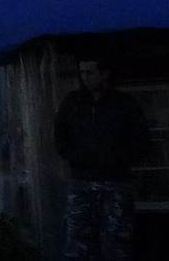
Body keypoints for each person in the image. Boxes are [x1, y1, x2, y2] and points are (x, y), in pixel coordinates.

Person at [54, 53, 150, 261]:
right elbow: (60, 137)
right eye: (82, 72)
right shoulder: (73, 103)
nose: (85, 78)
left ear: (104, 74)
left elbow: (141, 141)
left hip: (115, 180)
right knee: (75, 240)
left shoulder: (123, 104)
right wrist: (76, 157)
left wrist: (114, 159)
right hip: (82, 179)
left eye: (90, 72)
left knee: (115, 240)